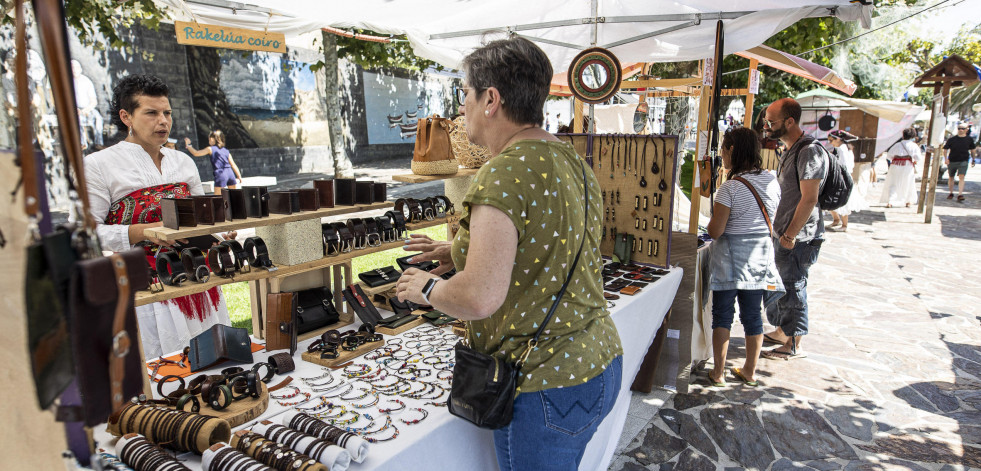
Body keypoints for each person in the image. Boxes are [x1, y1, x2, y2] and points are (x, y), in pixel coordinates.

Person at [394, 37, 622, 470]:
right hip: (598, 360)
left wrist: (427, 288)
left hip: (546, 381)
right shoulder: (570, 159)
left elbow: (479, 297)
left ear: (491, 99)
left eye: (465, 95)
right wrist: (459, 250)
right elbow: (547, 244)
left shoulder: (503, 171)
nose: (461, 108)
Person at [82, 74, 230, 358]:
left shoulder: (183, 161)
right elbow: (87, 233)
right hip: (145, 286)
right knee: (165, 366)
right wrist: (143, 232)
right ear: (126, 116)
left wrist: (220, 235)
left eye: (167, 113)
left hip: (197, 274)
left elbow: (200, 217)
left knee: (216, 356)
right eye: (151, 113)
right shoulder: (99, 165)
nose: (163, 121)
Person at [705, 128, 782, 387]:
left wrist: (709, 224)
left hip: (730, 259)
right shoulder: (772, 182)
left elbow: (716, 230)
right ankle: (750, 371)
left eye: (724, 150)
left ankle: (718, 373)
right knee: (752, 316)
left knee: (723, 315)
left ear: (733, 151)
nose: (722, 155)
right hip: (759, 257)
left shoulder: (730, 188)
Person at [758, 98, 828, 361]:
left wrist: (790, 235)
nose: (766, 126)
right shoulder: (790, 148)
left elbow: (809, 198)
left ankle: (794, 342)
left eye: (771, 122)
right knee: (781, 286)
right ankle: (782, 331)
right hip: (785, 232)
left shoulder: (809, 150)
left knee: (793, 286)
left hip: (799, 237)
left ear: (789, 121)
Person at [184, 130, 243, 195]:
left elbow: (196, 153)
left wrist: (188, 145)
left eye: (209, 139)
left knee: (218, 198)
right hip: (230, 173)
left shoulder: (210, 149)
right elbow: (233, 164)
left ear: (212, 139)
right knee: (233, 197)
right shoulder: (226, 150)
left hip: (221, 174)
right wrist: (239, 176)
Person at [827, 130, 863, 230]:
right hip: (842, 176)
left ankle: (844, 224)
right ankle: (836, 220)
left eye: (831, 140)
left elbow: (843, 164)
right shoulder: (845, 148)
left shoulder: (841, 149)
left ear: (837, 139)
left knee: (842, 199)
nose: (830, 143)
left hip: (842, 177)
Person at [879, 128, 921, 208]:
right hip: (907, 166)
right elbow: (918, 158)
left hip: (895, 165)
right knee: (908, 182)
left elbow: (889, 156)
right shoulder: (914, 146)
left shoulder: (897, 145)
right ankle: (908, 201)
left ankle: (891, 201)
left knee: (893, 183)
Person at [72, 59, 104, 150]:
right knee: (78, 119)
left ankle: (99, 143)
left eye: (76, 68)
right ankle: (83, 143)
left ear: (80, 69)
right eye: (72, 68)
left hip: (88, 108)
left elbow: (94, 101)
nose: (74, 70)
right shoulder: (67, 81)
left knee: (98, 118)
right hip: (75, 110)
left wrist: (87, 109)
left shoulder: (86, 81)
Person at [943, 123, 977, 202]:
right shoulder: (952, 139)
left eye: (962, 128)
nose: (961, 130)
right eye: (959, 128)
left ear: (966, 129)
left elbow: (973, 150)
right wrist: (946, 159)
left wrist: (973, 159)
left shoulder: (969, 139)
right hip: (952, 160)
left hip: (963, 160)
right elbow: (945, 149)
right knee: (951, 177)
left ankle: (960, 194)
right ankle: (951, 192)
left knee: (962, 177)